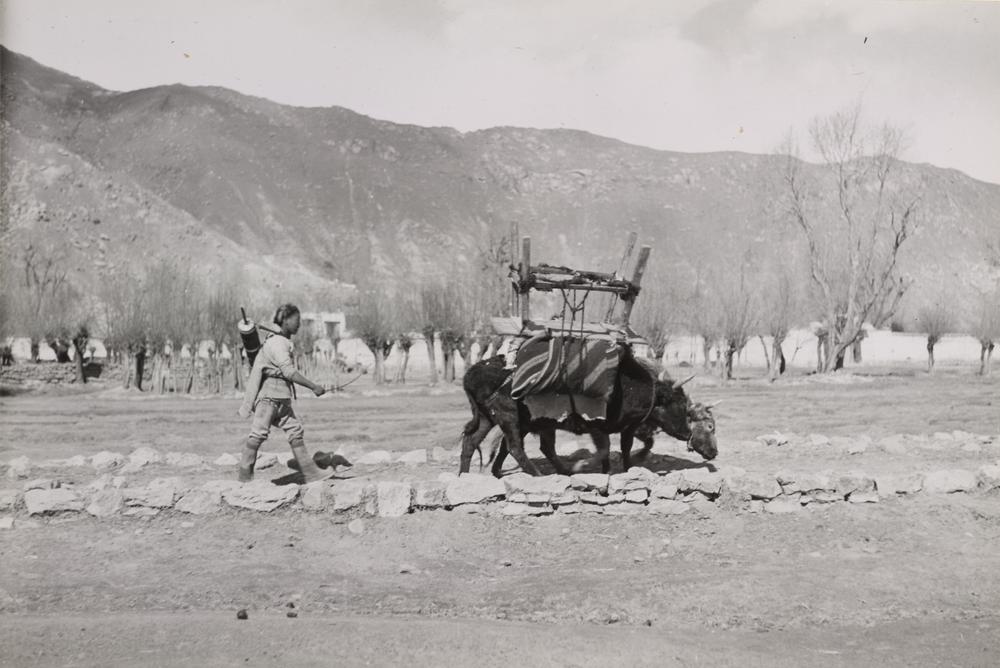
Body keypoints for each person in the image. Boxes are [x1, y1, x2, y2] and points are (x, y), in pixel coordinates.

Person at [237, 303, 333, 484]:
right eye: (296, 320)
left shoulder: (281, 341)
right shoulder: (277, 343)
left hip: (281, 399)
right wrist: (313, 387)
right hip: (269, 399)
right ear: (286, 320)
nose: (299, 324)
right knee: (258, 434)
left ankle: (311, 473)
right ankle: (244, 477)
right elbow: (288, 372)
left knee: (295, 431)